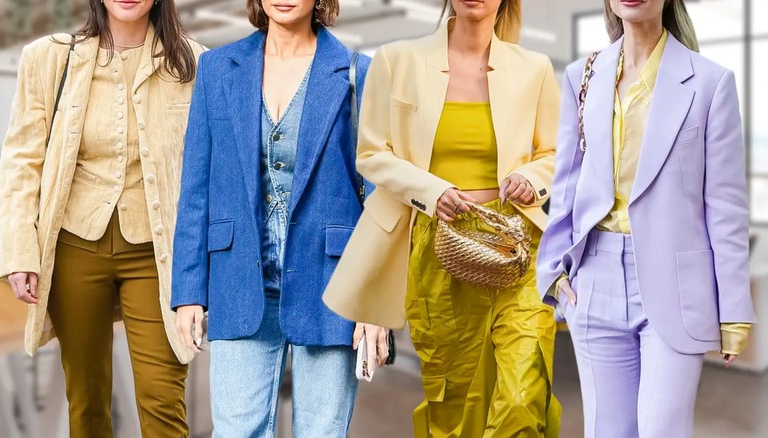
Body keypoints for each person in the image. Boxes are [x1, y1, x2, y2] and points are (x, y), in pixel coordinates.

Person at [323, 1, 562, 436]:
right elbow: (372, 154)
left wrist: (530, 178)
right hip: (440, 250)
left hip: (517, 248)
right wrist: (433, 193)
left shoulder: (535, 69)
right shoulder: (399, 61)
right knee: (453, 401)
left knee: (523, 392)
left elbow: (553, 152)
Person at [537, 1, 756, 437]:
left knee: (662, 429)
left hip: (677, 284)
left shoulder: (711, 83)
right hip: (593, 280)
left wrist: (734, 309)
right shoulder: (582, 76)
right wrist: (554, 272)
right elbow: (567, 185)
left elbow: (726, 206)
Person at [171, 0, 379, 436]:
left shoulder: (358, 72)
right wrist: (188, 291)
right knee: (234, 431)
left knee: (322, 432)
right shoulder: (216, 69)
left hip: (331, 286)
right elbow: (196, 187)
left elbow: (380, 201)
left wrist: (374, 302)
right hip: (238, 281)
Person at [0, 0, 204, 436]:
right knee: (87, 404)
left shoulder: (195, 63)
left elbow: (209, 169)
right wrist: (19, 251)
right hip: (75, 247)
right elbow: (22, 161)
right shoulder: (49, 57)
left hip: (158, 254)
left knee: (162, 400)